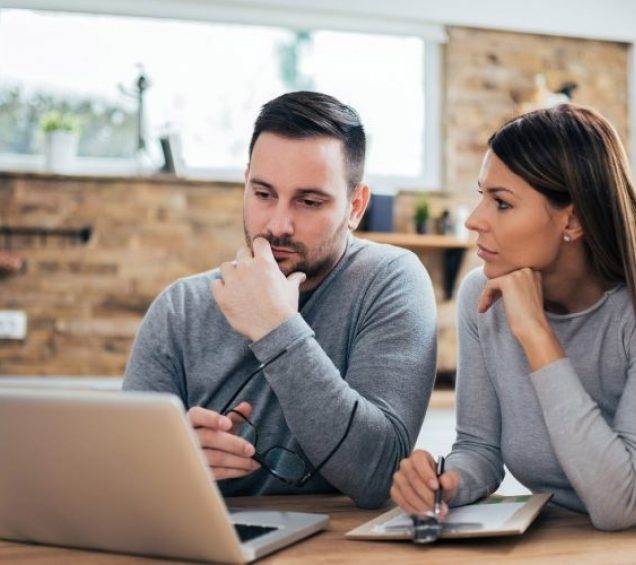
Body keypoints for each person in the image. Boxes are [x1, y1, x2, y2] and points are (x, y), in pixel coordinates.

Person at [124, 91, 437, 508]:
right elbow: (124, 477)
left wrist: (274, 325)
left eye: (309, 202)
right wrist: (168, 463)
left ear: (355, 206)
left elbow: (377, 475)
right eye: (263, 194)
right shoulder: (181, 308)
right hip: (208, 538)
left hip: (339, 549)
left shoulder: (389, 282)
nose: (278, 224)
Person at [391, 103, 636, 530]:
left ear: (572, 220)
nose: (473, 220)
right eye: (481, 194)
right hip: (554, 540)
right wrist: (446, 482)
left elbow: (621, 506)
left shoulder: (627, 315)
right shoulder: (481, 298)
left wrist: (537, 335)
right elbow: (479, 449)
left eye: (501, 203)